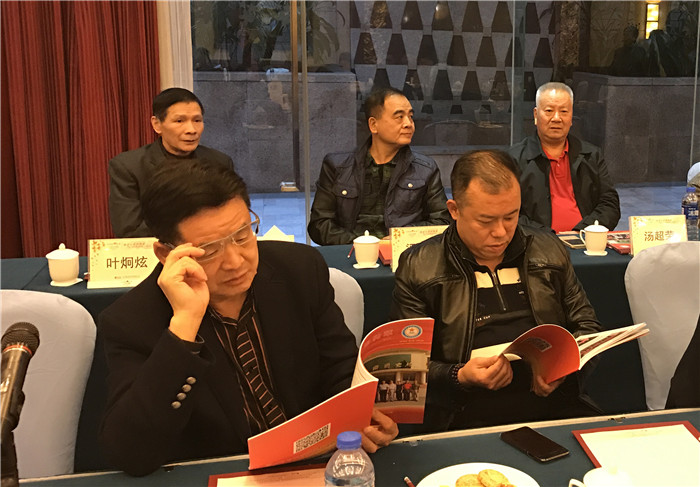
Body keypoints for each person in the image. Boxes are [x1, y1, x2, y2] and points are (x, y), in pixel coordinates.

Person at [99, 158, 397, 476]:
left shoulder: (298, 269)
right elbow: (131, 455)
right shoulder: (132, 319)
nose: (235, 261)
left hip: (314, 465)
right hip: (223, 474)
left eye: (242, 235)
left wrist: (366, 416)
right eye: (209, 249)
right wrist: (184, 325)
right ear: (165, 254)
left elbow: (341, 372)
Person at [390, 149, 603, 432]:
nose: (501, 232)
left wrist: (561, 366)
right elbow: (406, 369)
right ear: (454, 210)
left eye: (511, 217)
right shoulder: (420, 266)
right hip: (461, 415)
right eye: (486, 221)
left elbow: (587, 327)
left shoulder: (548, 249)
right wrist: (458, 375)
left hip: (553, 405)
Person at [308, 86, 451, 245]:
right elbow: (319, 225)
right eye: (399, 117)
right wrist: (364, 244)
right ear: (373, 125)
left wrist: (400, 238)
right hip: (351, 252)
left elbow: (443, 222)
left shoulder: (425, 169)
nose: (408, 124)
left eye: (410, 116)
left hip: (403, 254)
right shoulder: (337, 167)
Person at [108, 87, 234, 238]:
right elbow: (129, 230)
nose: (191, 130)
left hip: (211, 247)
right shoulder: (129, 167)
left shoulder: (219, 162)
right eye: (179, 121)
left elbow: (232, 218)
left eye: (197, 120)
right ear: (157, 124)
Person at [508, 82, 620, 232]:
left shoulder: (591, 155)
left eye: (564, 111)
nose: (556, 118)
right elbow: (509, 213)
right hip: (538, 241)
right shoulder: (514, 159)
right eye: (549, 111)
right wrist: (548, 237)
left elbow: (609, 204)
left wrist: (582, 232)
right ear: (535, 115)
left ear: (571, 117)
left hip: (585, 239)